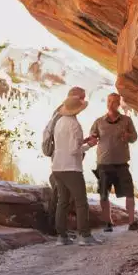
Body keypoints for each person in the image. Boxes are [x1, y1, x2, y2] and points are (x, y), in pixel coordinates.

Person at [90, 93, 138, 232]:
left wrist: (128, 136)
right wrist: (91, 140)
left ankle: (132, 222)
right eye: (109, 101)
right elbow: (92, 137)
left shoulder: (126, 120)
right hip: (103, 163)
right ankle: (108, 223)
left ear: (119, 104)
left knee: (129, 193)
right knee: (103, 194)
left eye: (114, 101)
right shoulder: (98, 122)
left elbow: (134, 137)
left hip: (121, 163)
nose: (110, 103)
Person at [52, 95, 101, 246]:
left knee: (63, 201)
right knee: (81, 202)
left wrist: (83, 141)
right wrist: (89, 145)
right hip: (71, 168)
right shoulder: (75, 125)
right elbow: (74, 150)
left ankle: (62, 237)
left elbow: (66, 144)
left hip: (57, 167)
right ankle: (84, 236)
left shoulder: (59, 122)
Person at [46, 87, 86, 236]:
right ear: (75, 98)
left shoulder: (60, 114)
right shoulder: (65, 118)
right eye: (82, 98)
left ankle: (60, 231)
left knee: (62, 197)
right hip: (66, 162)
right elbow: (71, 147)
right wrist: (85, 146)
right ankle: (54, 229)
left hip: (59, 160)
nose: (83, 101)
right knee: (62, 197)